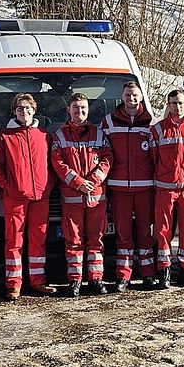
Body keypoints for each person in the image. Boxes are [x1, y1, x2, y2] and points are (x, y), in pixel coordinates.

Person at [0, 93, 56, 301]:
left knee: (38, 239)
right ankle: (13, 284)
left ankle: (38, 280)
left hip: (41, 196)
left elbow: (52, 163)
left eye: (27, 108)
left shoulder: (43, 135)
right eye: (20, 108)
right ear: (14, 111)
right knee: (14, 240)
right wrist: (8, 186)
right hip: (15, 197)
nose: (24, 112)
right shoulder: (5, 136)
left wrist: (48, 185)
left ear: (34, 110)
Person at [52, 93, 113, 296]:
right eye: (76, 107)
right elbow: (58, 163)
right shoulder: (60, 135)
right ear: (69, 109)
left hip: (96, 197)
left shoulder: (98, 134)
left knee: (96, 240)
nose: (80, 111)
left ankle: (96, 279)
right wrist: (78, 183)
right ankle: (75, 280)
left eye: (83, 107)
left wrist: (93, 181)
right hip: (72, 198)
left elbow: (107, 158)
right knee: (73, 241)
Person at [102, 81, 156, 289]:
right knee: (123, 234)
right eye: (127, 95)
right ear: (122, 96)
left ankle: (148, 273)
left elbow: (156, 155)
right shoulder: (108, 121)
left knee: (145, 233)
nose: (131, 99)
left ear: (141, 97)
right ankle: (123, 275)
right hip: (118, 187)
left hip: (145, 187)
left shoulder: (151, 122)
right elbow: (103, 153)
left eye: (135, 95)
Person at [150, 90, 184, 288]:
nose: (177, 106)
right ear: (168, 105)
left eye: (181, 103)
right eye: (174, 103)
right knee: (163, 229)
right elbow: (154, 158)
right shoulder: (157, 129)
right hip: (165, 187)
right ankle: (164, 269)